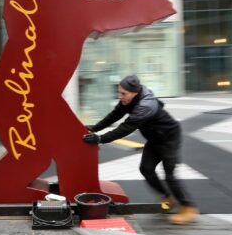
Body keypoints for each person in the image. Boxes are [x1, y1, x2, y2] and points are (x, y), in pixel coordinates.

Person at [82, 75, 199, 225]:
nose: (120, 96)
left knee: (170, 175)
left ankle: (188, 208)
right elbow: (114, 115)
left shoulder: (145, 106)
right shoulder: (129, 98)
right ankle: (168, 198)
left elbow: (125, 128)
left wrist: (100, 139)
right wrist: (94, 128)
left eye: (123, 94)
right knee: (146, 169)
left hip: (169, 139)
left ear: (134, 93)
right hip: (155, 138)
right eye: (118, 92)